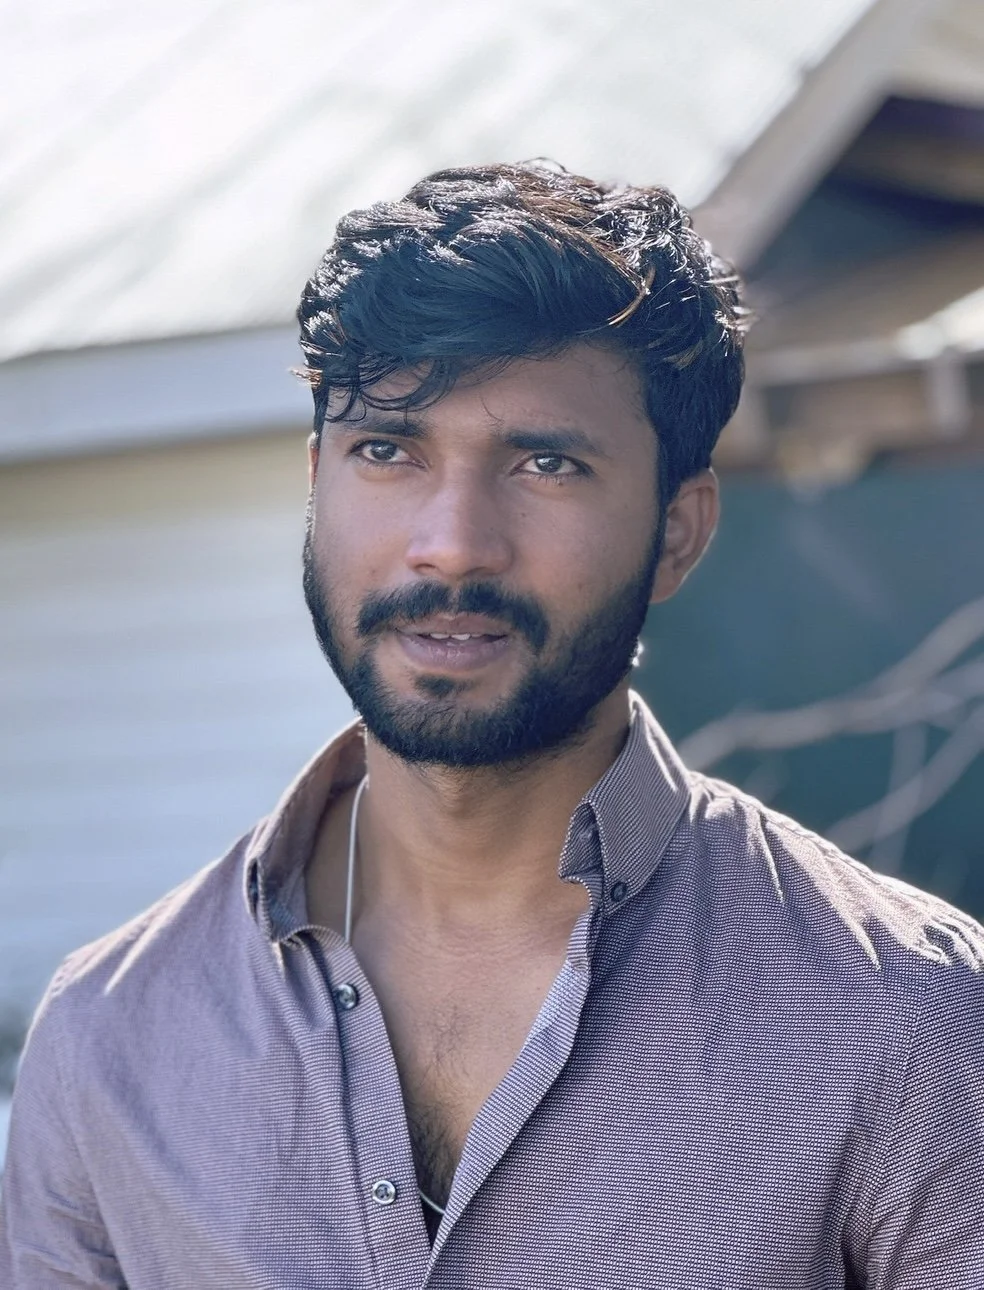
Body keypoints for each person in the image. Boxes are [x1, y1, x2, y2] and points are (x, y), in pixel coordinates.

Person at [2, 162, 982, 1290]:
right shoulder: (109, 1040)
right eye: (388, 451)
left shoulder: (910, 1024)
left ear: (678, 528)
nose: (454, 543)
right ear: (317, 485)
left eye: (545, 463)